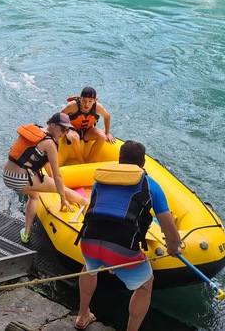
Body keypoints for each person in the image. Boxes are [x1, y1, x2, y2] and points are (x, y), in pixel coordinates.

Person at [75, 140, 181, 331]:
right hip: (121, 249)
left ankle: (82, 316)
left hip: (88, 241)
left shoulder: (101, 179)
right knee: (145, 284)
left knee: (88, 267)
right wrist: (174, 247)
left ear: (119, 159)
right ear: (143, 164)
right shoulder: (151, 186)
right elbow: (169, 228)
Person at [3, 113, 90, 244]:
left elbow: (37, 159)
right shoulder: (49, 143)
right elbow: (57, 175)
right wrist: (62, 198)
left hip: (7, 175)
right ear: (52, 125)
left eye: (67, 130)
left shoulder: (37, 129)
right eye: (62, 129)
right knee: (62, 189)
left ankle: (26, 234)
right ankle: (86, 203)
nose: (64, 133)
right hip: (21, 178)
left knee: (34, 195)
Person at [61, 87, 115, 164]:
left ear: (95, 100)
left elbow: (107, 116)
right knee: (75, 138)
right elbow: (60, 117)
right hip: (72, 130)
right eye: (84, 101)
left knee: (102, 137)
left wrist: (107, 133)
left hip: (87, 130)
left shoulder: (98, 107)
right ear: (80, 98)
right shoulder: (72, 106)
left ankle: (89, 161)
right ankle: (81, 161)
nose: (87, 104)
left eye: (90, 101)